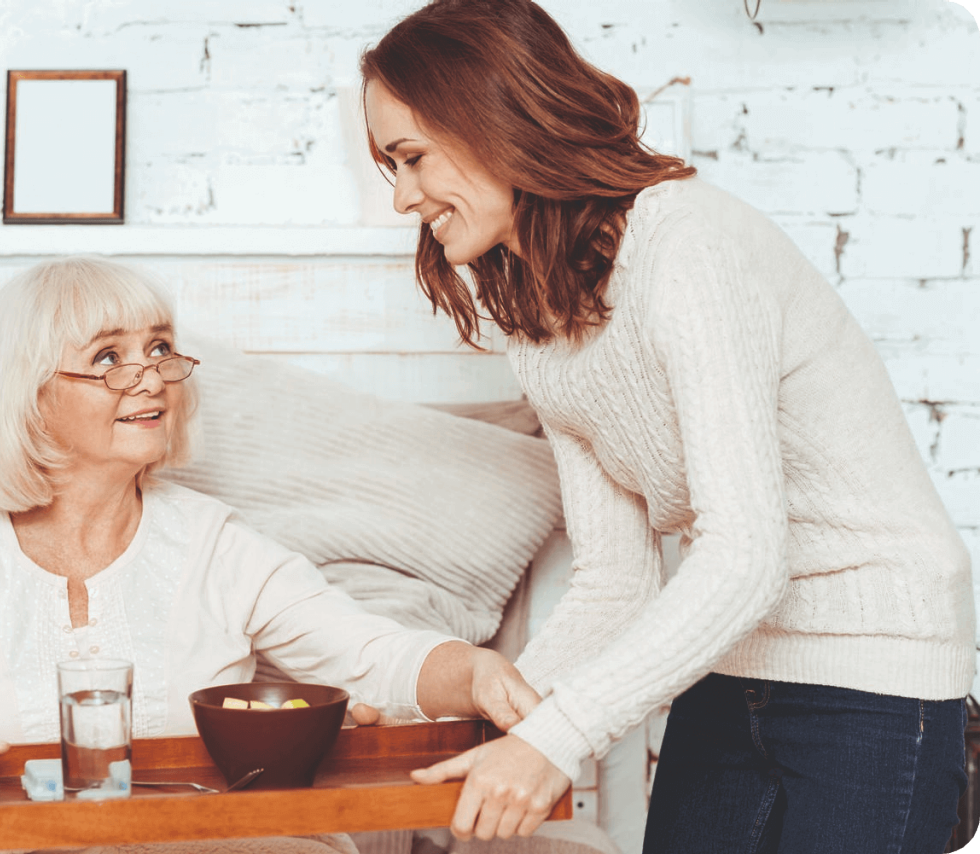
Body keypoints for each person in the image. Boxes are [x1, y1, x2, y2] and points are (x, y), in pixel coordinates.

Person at [360, 1, 975, 852]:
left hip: (873, 678)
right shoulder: (537, 315)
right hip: (729, 668)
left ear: (495, 120)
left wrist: (555, 738)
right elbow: (617, 582)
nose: (400, 196)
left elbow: (746, 556)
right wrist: (488, 724)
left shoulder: (687, 247)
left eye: (411, 157)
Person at [0, 256, 541, 854]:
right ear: (31, 395)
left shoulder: (213, 543)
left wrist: (473, 672)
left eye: (158, 347)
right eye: (109, 357)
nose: (151, 376)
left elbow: (376, 656)